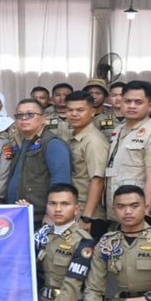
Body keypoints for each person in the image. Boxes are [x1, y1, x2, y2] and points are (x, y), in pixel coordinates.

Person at [34, 184, 95, 301]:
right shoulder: (42, 234)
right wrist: (20, 212)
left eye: (65, 204)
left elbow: (71, 288)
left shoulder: (83, 241)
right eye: (52, 203)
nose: (58, 209)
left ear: (76, 209)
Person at [105, 80, 151, 221]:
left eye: (138, 102)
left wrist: (144, 215)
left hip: (137, 213)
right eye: (127, 101)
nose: (132, 106)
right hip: (117, 209)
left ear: (150, 105)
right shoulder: (118, 129)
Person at [6, 99, 71, 227]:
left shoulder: (52, 144)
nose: (24, 118)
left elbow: (61, 181)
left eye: (30, 114)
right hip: (19, 213)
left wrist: (51, 212)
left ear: (43, 119)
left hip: (40, 216)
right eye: (19, 115)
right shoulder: (21, 142)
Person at [64, 90, 109, 224]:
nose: (74, 114)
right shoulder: (74, 136)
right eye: (70, 110)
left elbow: (98, 180)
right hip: (76, 207)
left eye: (80, 110)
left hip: (89, 213)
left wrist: (87, 217)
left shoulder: (93, 141)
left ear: (92, 112)